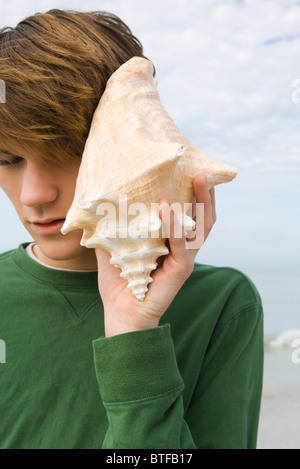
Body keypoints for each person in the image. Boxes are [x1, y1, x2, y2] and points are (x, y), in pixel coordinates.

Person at [0, 9, 263, 449]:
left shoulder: (222, 305)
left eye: (66, 153)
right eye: (7, 160)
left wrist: (133, 334)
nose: (33, 194)